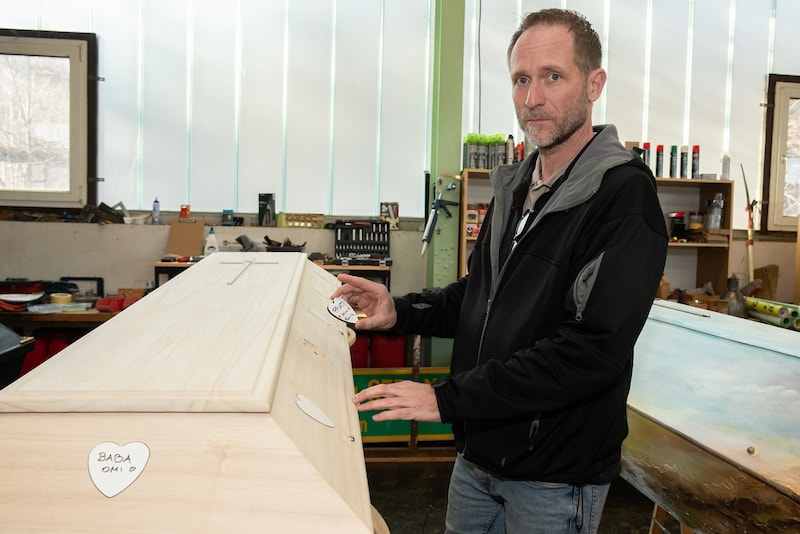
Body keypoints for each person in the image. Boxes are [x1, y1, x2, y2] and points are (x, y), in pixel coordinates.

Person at [332, 8, 667, 534]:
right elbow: (480, 297)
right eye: (521, 79)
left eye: (553, 77)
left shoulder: (624, 197)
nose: (532, 98)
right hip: (478, 458)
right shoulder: (517, 185)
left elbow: (590, 352)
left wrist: (447, 399)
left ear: (594, 83)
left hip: (554, 476)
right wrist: (401, 310)